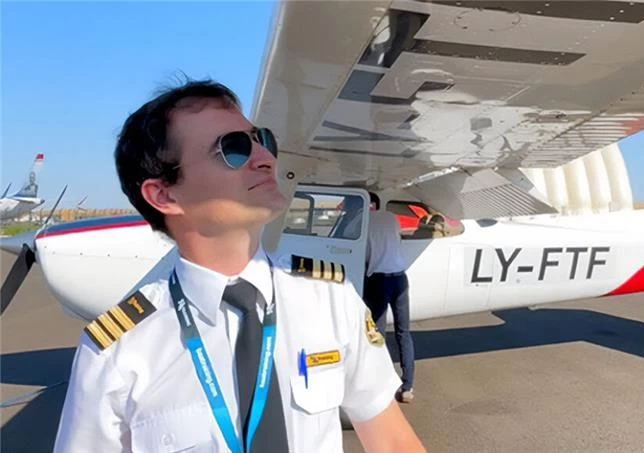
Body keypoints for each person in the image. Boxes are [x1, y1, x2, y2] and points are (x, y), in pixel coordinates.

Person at [53, 80, 425, 453]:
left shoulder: (331, 299)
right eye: (232, 149)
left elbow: (392, 441)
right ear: (163, 194)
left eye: (261, 138)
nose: (265, 157)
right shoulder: (118, 351)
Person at [363, 192, 416, 404]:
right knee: (403, 332)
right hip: (400, 279)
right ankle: (407, 386)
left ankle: (381, 384)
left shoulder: (363, 223)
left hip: (379, 281)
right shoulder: (391, 218)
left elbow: (365, 255)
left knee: (377, 332)